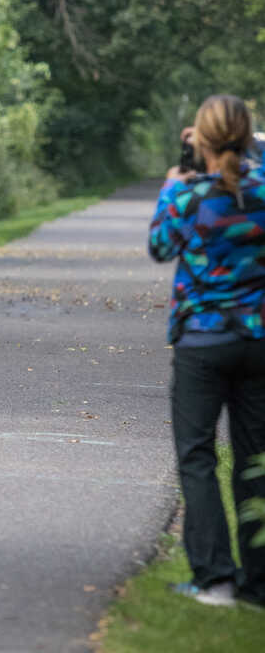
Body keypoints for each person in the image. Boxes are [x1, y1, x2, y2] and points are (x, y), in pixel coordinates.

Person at [148, 94, 265, 608]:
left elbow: (160, 247)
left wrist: (174, 182)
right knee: (254, 460)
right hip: (259, 341)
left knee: (197, 457)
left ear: (203, 138)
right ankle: (258, 584)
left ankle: (216, 577)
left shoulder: (187, 194)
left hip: (202, 340)